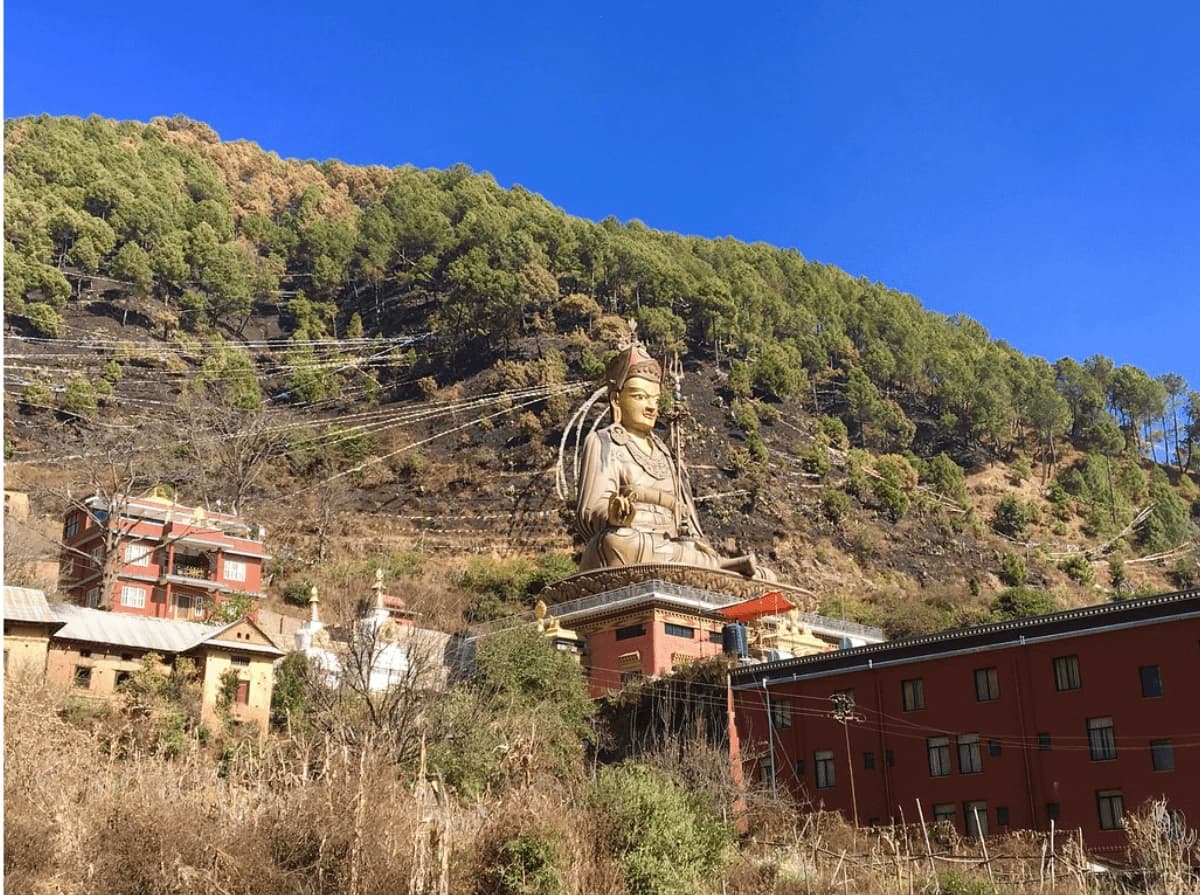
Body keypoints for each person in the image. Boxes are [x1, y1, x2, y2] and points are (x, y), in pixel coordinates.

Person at [575, 339, 763, 577]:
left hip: (672, 546)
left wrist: (697, 544)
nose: (651, 407)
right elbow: (590, 511)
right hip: (629, 541)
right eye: (640, 397)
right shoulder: (604, 442)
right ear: (616, 399)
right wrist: (613, 515)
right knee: (618, 541)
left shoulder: (666, 454)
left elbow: (688, 523)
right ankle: (714, 569)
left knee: (764, 575)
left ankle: (712, 565)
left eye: (655, 399)